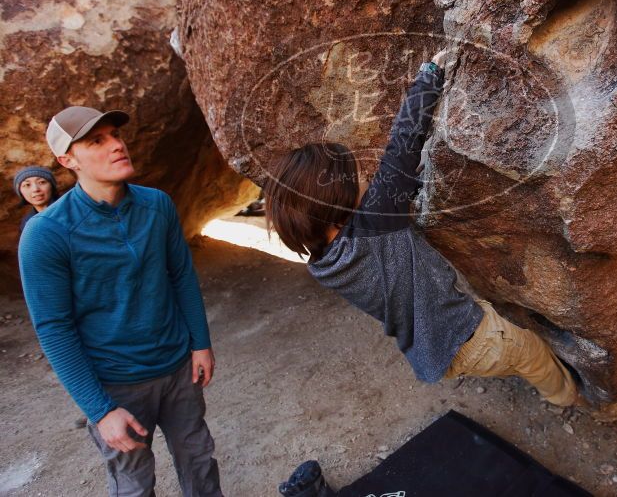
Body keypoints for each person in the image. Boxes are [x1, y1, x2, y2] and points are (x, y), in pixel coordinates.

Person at [264, 50, 579, 408]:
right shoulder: (375, 224)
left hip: (434, 348)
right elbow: (404, 142)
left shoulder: (324, 264)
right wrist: (429, 76)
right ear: (338, 205)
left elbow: (387, 226)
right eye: (358, 179)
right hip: (472, 338)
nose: (367, 178)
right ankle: (566, 396)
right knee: (530, 351)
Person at [18, 106, 223, 496]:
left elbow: (180, 276)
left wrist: (200, 343)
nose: (116, 145)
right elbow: (54, 329)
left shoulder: (157, 205)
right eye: (97, 141)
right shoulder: (46, 234)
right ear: (67, 160)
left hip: (178, 369)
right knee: (133, 484)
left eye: (116, 135)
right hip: (117, 385)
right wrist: (100, 410)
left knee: (200, 462)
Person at [13, 166, 59, 231]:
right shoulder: (27, 223)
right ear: (20, 192)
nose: (35, 189)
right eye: (27, 185)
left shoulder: (71, 207)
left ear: (52, 186)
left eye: (41, 182)